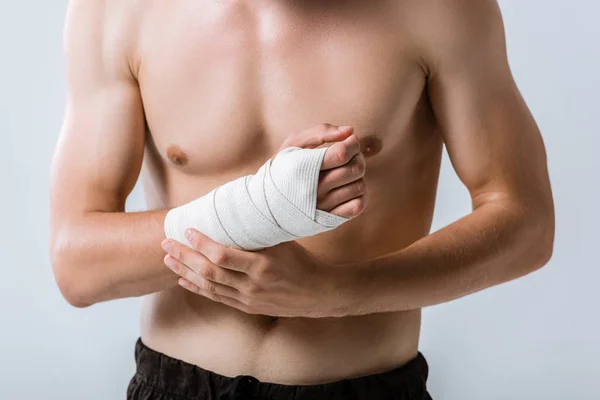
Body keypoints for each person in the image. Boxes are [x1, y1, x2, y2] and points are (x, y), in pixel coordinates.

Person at [49, 0, 555, 399]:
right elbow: (77, 266)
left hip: (364, 388)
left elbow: (525, 221)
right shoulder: (117, 9)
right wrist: (259, 207)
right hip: (176, 383)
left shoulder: (439, 7)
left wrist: (338, 293)